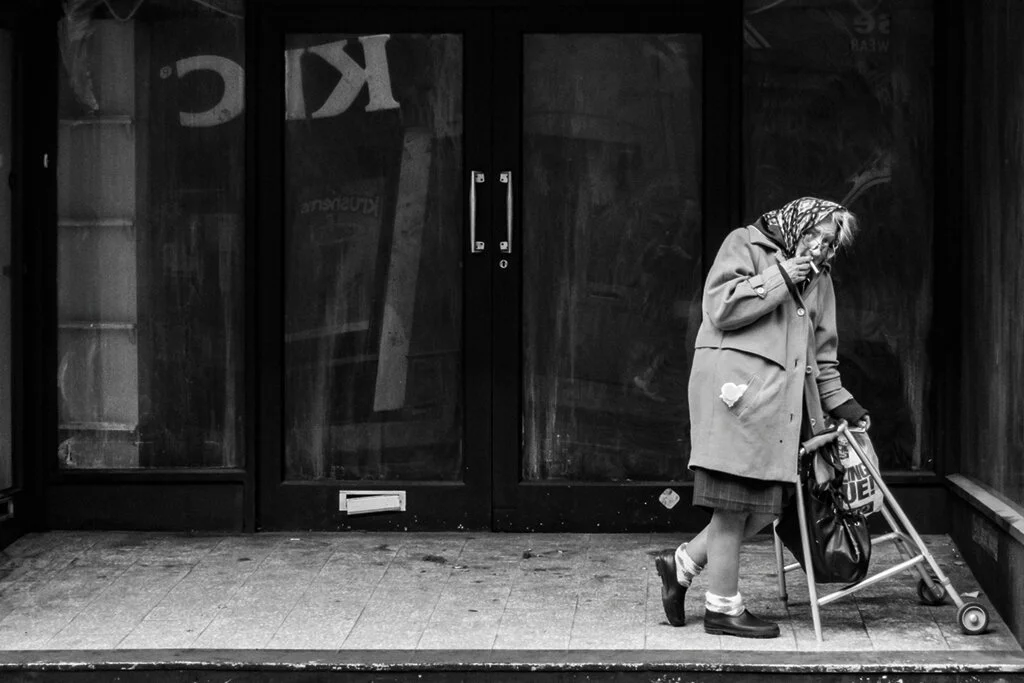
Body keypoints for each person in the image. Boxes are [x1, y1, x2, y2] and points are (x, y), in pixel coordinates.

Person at [653, 197, 870, 638]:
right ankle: (723, 609)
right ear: (798, 225)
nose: (822, 250)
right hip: (735, 399)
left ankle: (682, 564)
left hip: (782, 409)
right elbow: (721, 308)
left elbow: (822, 358)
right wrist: (781, 276)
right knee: (734, 503)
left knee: (773, 502)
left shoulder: (821, 280)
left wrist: (842, 403)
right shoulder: (745, 245)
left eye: (830, 244)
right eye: (817, 237)